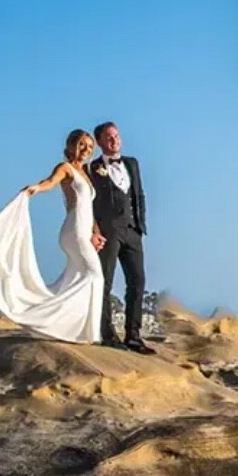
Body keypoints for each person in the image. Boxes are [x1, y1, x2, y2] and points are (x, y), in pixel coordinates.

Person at [0, 130, 105, 344]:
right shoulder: (65, 168)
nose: (86, 149)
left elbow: (89, 207)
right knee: (95, 276)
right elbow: (49, 182)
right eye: (82, 144)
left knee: (72, 280)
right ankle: (57, 323)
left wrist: (96, 232)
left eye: (90, 147)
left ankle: (71, 330)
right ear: (72, 145)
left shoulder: (86, 173)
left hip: (85, 230)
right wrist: (36, 188)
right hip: (73, 231)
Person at [88, 122, 155, 355]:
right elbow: (87, 203)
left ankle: (133, 335)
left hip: (133, 230)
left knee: (137, 281)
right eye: (108, 138)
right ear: (99, 142)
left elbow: (139, 193)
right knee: (104, 282)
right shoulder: (91, 169)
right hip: (108, 232)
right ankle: (107, 334)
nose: (114, 140)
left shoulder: (132, 163)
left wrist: (140, 224)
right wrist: (94, 231)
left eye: (116, 136)